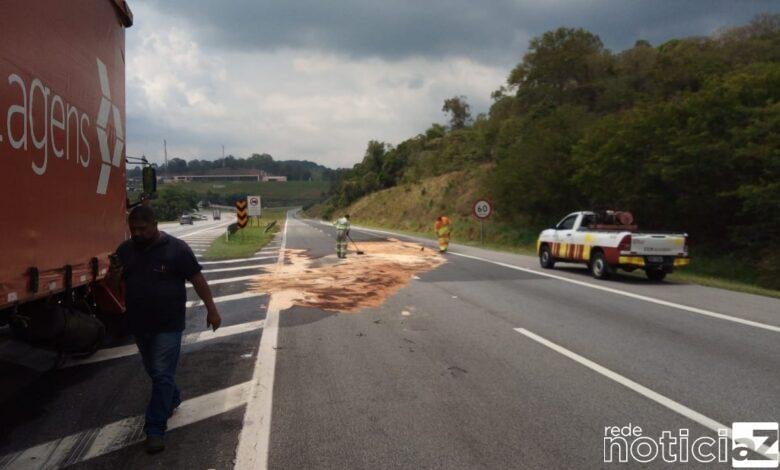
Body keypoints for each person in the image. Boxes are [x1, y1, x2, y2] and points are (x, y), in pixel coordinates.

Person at [108, 205, 222, 454]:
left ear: (155, 224)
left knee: (160, 372)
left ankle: (155, 429)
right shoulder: (125, 250)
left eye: (142, 228)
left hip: (169, 323)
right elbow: (113, 284)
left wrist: (212, 310)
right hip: (138, 323)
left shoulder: (177, 249)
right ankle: (172, 397)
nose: (137, 233)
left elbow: (198, 280)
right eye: (133, 229)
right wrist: (114, 275)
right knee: (156, 372)